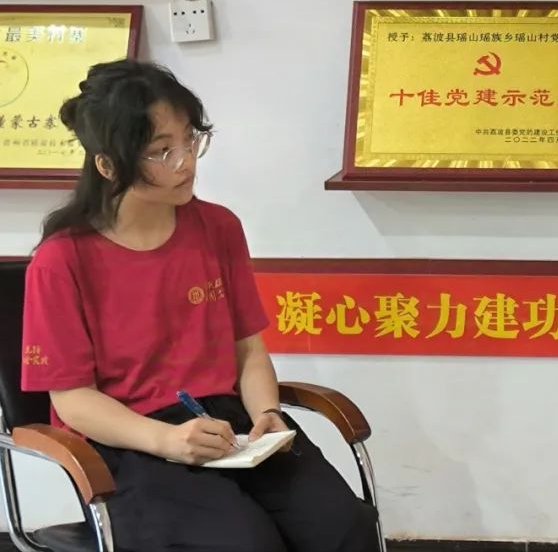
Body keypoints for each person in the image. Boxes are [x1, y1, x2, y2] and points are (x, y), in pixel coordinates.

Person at [21, 59, 380, 552]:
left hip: (231, 425)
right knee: (243, 543)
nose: (185, 162)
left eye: (190, 140)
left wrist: (266, 413)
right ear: (108, 165)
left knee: (342, 525)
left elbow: (248, 350)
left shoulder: (218, 228)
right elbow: (73, 400)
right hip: (131, 441)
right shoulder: (62, 260)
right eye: (161, 151)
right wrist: (166, 440)